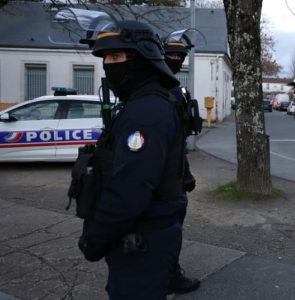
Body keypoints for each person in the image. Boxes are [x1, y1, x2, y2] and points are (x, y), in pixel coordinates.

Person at [77, 20, 187, 299]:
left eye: (116, 57)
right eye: (105, 58)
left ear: (140, 59)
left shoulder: (146, 112)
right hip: (139, 236)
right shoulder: (140, 104)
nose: (108, 65)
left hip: (143, 238)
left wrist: (96, 238)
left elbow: (130, 189)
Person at [163, 30, 201, 295]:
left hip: (175, 167)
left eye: (180, 55)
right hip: (164, 174)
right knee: (169, 225)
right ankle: (169, 275)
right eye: (171, 54)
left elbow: (180, 137)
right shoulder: (160, 88)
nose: (176, 59)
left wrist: (184, 171)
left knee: (170, 224)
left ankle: (166, 271)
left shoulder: (173, 87)